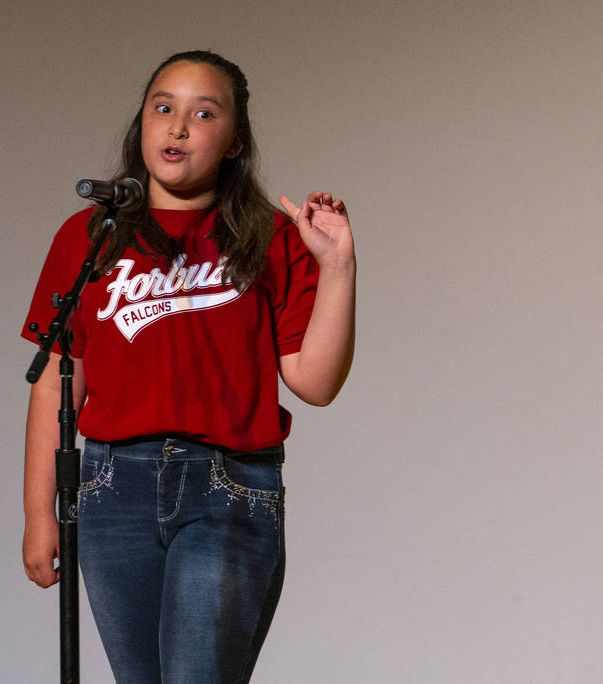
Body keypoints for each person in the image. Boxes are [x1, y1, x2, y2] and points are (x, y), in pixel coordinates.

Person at [21, 50, 355, 683]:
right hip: (110, 490)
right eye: (163, 107)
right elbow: (56, 380)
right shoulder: (90, 236)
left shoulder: (272, 238)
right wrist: (41, 514)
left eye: (204, 113)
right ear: (142, 123)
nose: (177, 126)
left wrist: (337, 267)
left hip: (227, 487)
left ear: (233, 142)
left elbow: (315, 382)